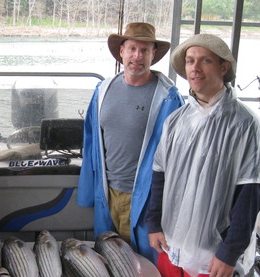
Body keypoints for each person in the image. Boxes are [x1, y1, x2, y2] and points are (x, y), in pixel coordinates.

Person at [146, 34, 260, 277]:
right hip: (173, 237)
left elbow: (250, 193)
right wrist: (154, 223)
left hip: (211, 246)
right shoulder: (176, 120)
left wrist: (230, 252)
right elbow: (159, 174)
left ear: (224, 68)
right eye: (189, 61)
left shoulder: (245, 124)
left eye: (205, 60)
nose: (194, 68)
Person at [77, 22, 184, 264]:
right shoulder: (102, 90)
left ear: (153, 55)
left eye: (145, 50)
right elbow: (91, 142)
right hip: (108, 196)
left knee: (147, 268)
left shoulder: (169, 98)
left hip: (149, 199)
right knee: (111, 263)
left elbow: (179, 156)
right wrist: (88, 194)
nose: (138, 56)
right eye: (132, 48)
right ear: (121, 52)